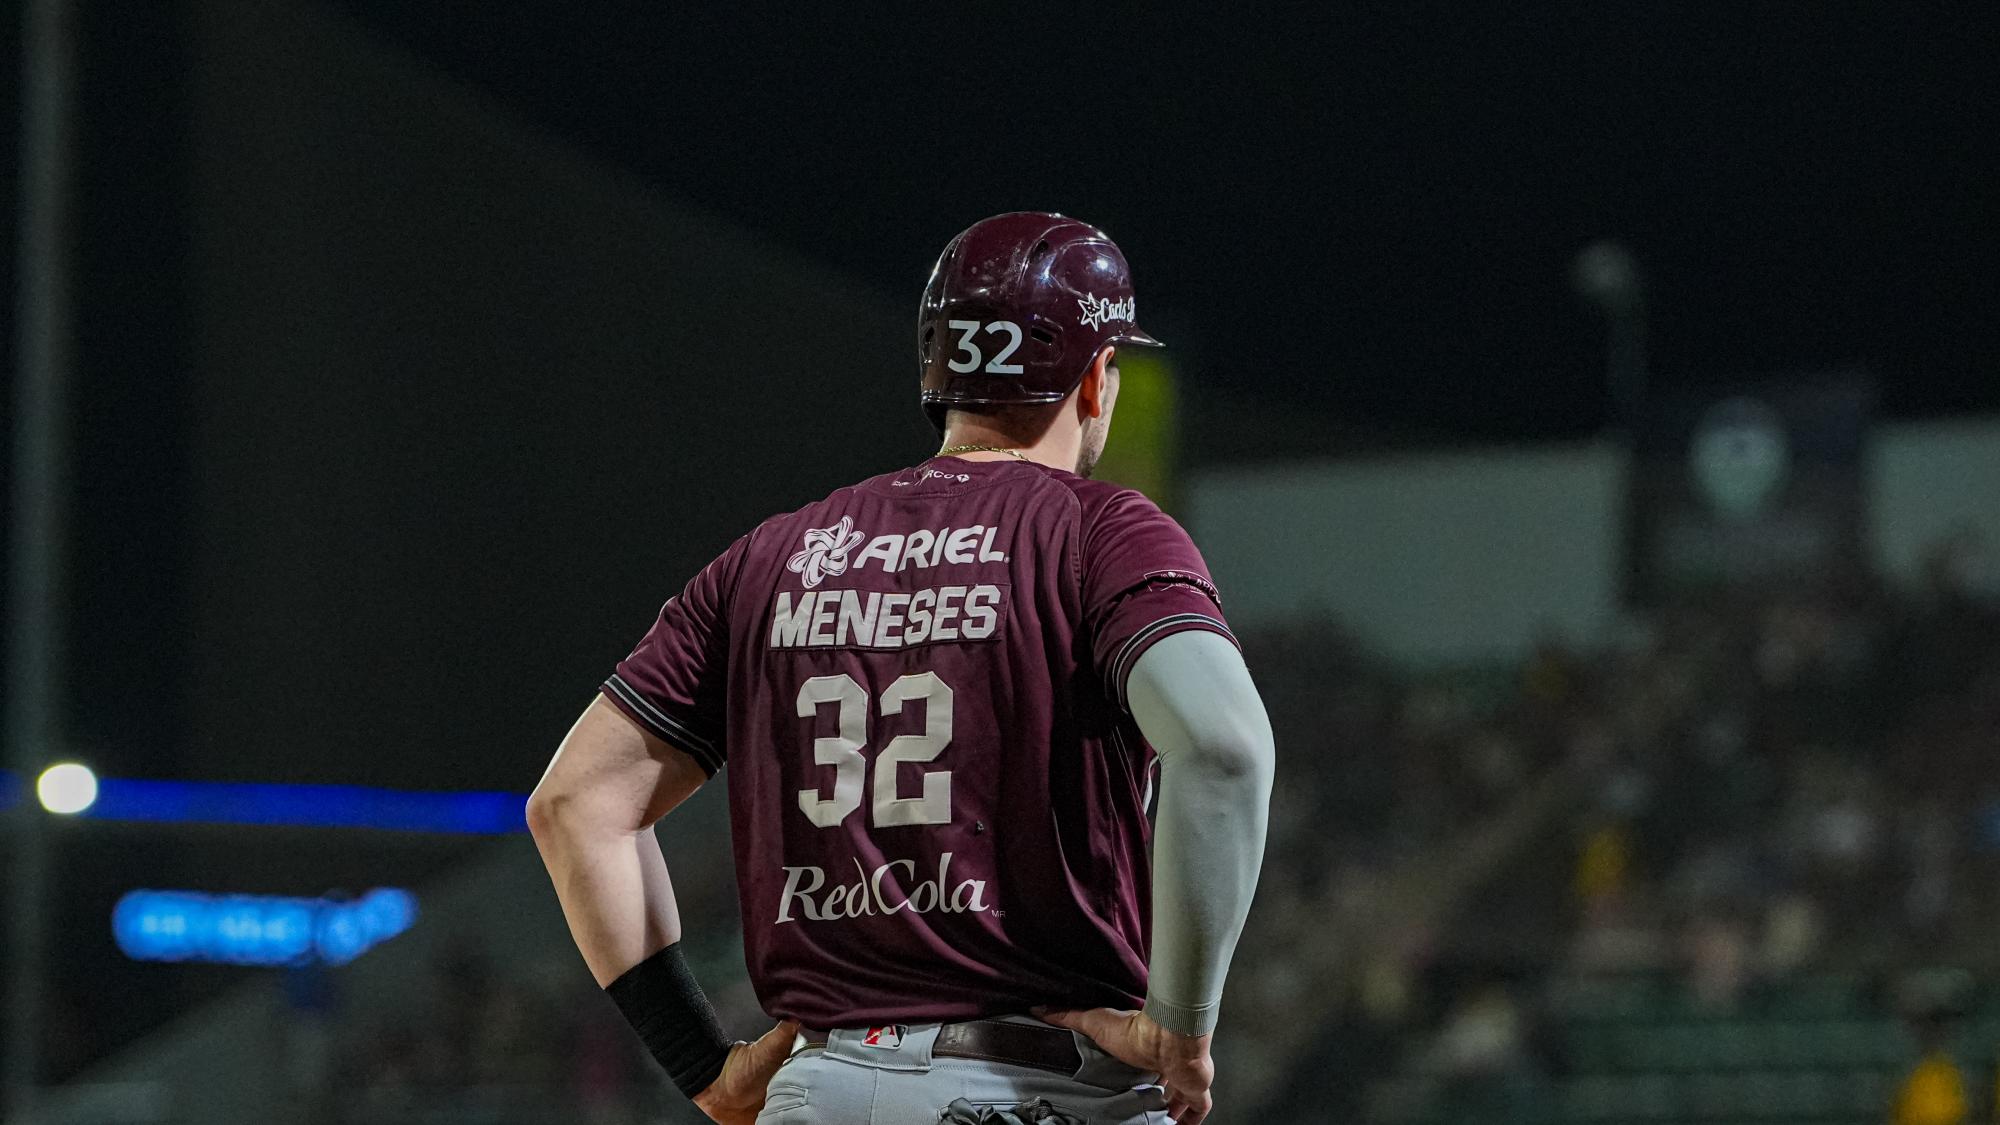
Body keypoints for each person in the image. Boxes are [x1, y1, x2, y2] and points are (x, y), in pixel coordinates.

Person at [529, 212, 1276, 1125]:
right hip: (1039, 1089)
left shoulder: (770, 555)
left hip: (820, 1089)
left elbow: (576, 805)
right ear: (1093, 379)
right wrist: (1181, 1029)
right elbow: (1226, 752)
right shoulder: (1099, 529)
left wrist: (703, 1064)